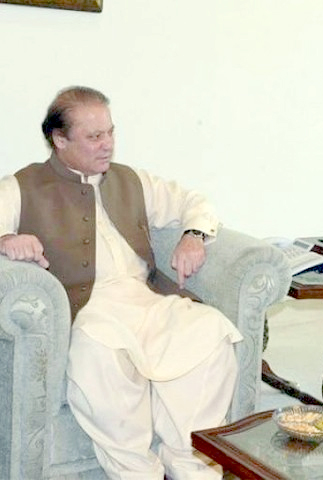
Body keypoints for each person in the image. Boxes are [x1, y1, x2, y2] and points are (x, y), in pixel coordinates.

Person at [0, 86, 243, 479]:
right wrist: (7, 239)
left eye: (110, 132)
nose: (108, 144)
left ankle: (189, 466)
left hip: (146, 300)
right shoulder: (21, 187)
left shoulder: (131, 180)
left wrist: (194, 235)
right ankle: (136, 472)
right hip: (88, 309)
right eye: (95, 136)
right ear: (59, 139)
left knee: (209, 331)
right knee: (99, 355)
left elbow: (193, 202)